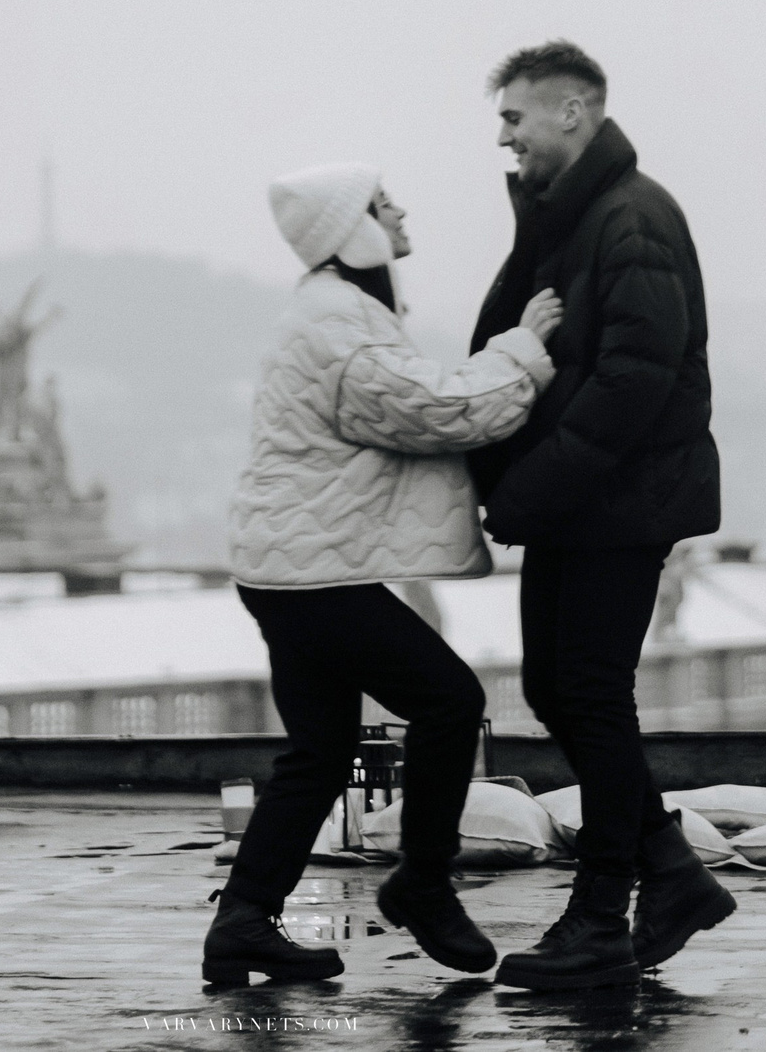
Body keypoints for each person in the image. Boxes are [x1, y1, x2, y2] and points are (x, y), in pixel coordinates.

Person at [205, 162, 564, 988]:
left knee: (319, 753)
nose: (400, 212)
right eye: (381, 203)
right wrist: (523, 349)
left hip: (291, 565)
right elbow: (438, 409)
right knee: (450, 702)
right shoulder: (338, 320)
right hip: (311, 572)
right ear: (353, 229)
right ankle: (423, 884)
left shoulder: (337, 311)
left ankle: (244, 924)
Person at [466, 40, 736, 991]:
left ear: (572, 110)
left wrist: (530, 488)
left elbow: (633, 382)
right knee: (560, 687)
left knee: (584, 692)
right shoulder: (579, 219)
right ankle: (665, 873)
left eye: (515, 117)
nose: (504, 137)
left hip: (615, 504)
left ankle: (602, 913)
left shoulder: (632, 219)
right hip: (584, 502)